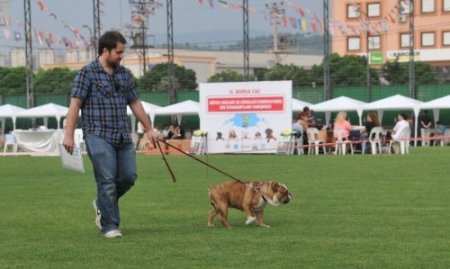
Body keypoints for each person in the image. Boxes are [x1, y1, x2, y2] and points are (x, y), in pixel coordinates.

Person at [63, 31, 159, 238]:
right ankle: (110, 226)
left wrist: (149, 128)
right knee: (107, 180)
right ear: (105, 51)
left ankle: (101, 203)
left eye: (122, 52)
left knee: (128, 177)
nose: (121, 56)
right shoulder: (86, 73)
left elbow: (135, 103)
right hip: (97, 135)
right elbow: (75, 105)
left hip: (123, 136)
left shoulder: (124, 74)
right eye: (118, 52)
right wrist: (68, 135)